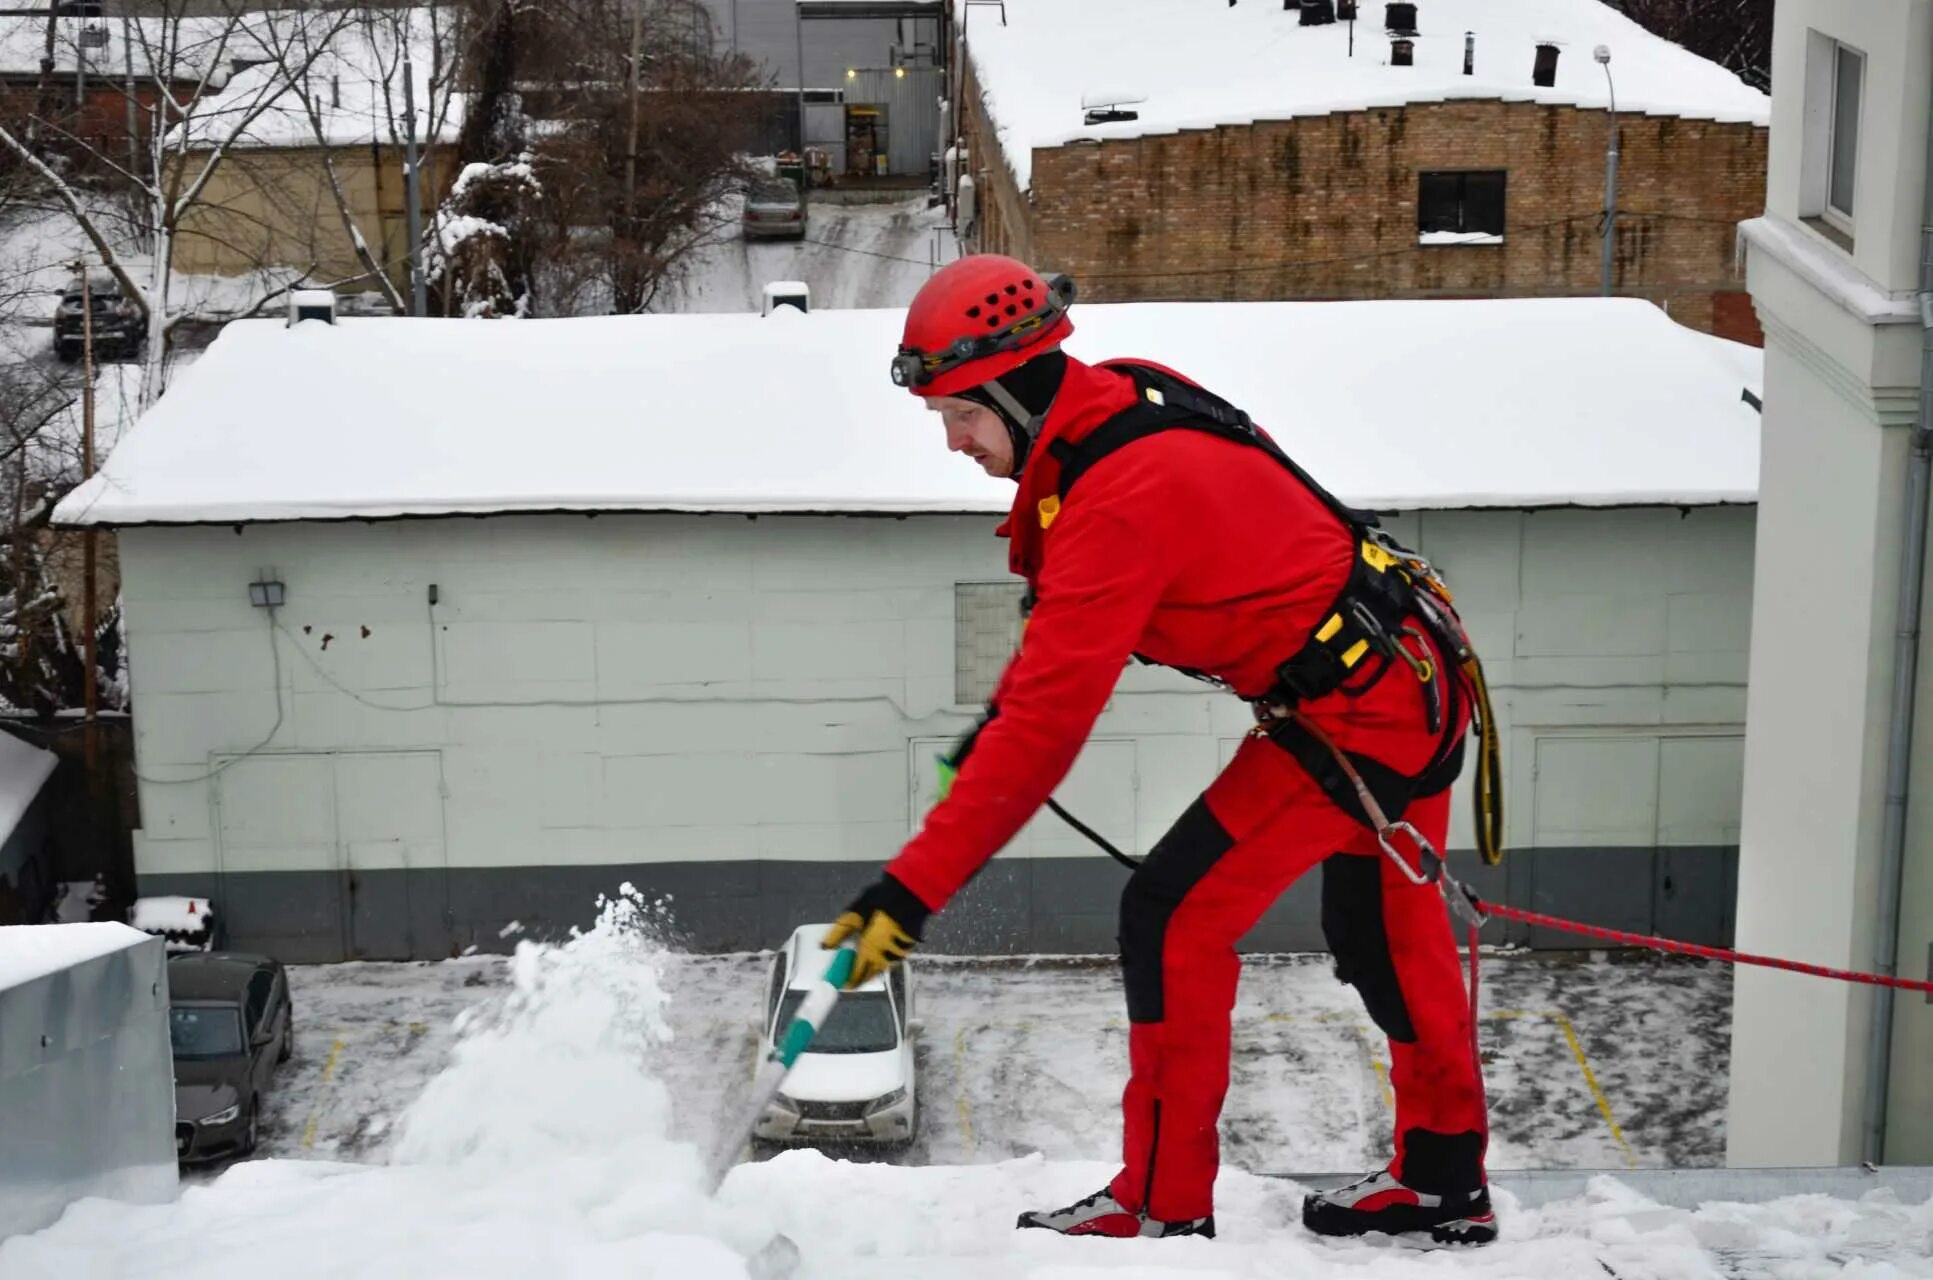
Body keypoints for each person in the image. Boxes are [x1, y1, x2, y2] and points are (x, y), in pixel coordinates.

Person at [823, 254, 1496, 1245]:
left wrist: (907, 892)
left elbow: (1047, 728)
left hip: (1364, 710)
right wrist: (984, 739)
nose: (955, 441)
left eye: (962, 414)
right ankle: (1442, 1175)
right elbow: (1052, 656)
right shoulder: (1120, 398)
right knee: (1383, 934)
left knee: (1173, 913)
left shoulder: (1119, 497)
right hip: (1399, 668)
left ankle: (1159, 1200)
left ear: (1013, 387)